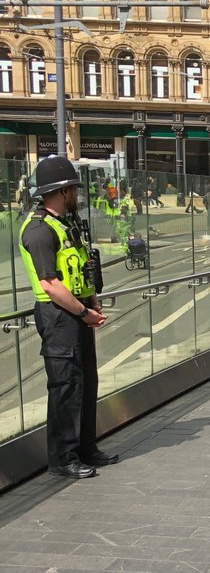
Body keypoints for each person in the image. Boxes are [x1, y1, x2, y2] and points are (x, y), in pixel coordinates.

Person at [18, 156, 118, 479]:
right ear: (61, 191)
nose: (76, 193)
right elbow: (50, 284)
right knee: (65, 387)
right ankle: (62, 457)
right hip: (59, 317)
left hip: (77, 312)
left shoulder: (66, 224)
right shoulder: (38, 231)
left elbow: (80, 268)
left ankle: (86, 447)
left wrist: (92, 301)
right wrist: (83, 312)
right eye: (73, 188)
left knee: (86, 383)